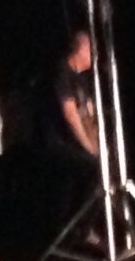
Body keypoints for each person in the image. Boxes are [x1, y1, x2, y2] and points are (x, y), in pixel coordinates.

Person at [43, 25, 102, 243]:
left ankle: (82, 228)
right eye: (92, 50)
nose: (95, 55)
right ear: (82, 48)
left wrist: (98, 145)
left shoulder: (82, 79)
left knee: (104, 167)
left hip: (74, 145)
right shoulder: (62, 73)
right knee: (94, 167)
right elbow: (71, 116)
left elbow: (89, 116)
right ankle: (79, 228)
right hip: (56, 144)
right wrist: (89, 147)